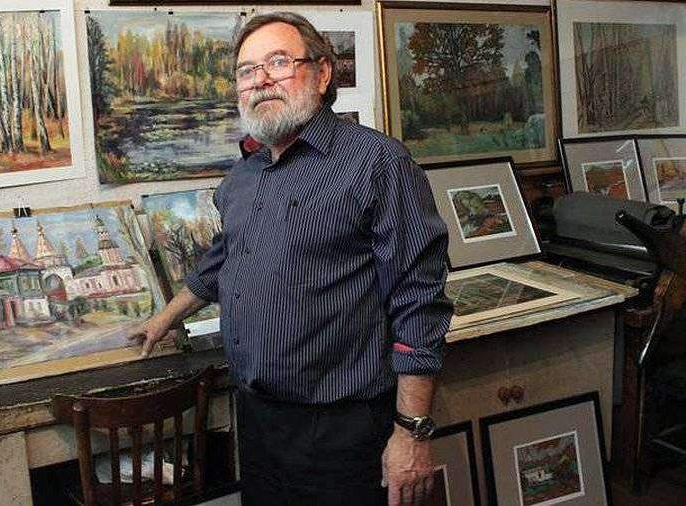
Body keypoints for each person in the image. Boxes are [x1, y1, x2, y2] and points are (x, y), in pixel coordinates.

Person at [134, 12, 453, 506]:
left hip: (343, 430)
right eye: (247, 70)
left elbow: (419, 302)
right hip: (258, 422)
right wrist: (163, 319)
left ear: (322, 73)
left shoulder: (378, 164)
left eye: (279, 62)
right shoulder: (243, 177)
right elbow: (223, 259)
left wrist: (411, 431)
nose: (260, 80)